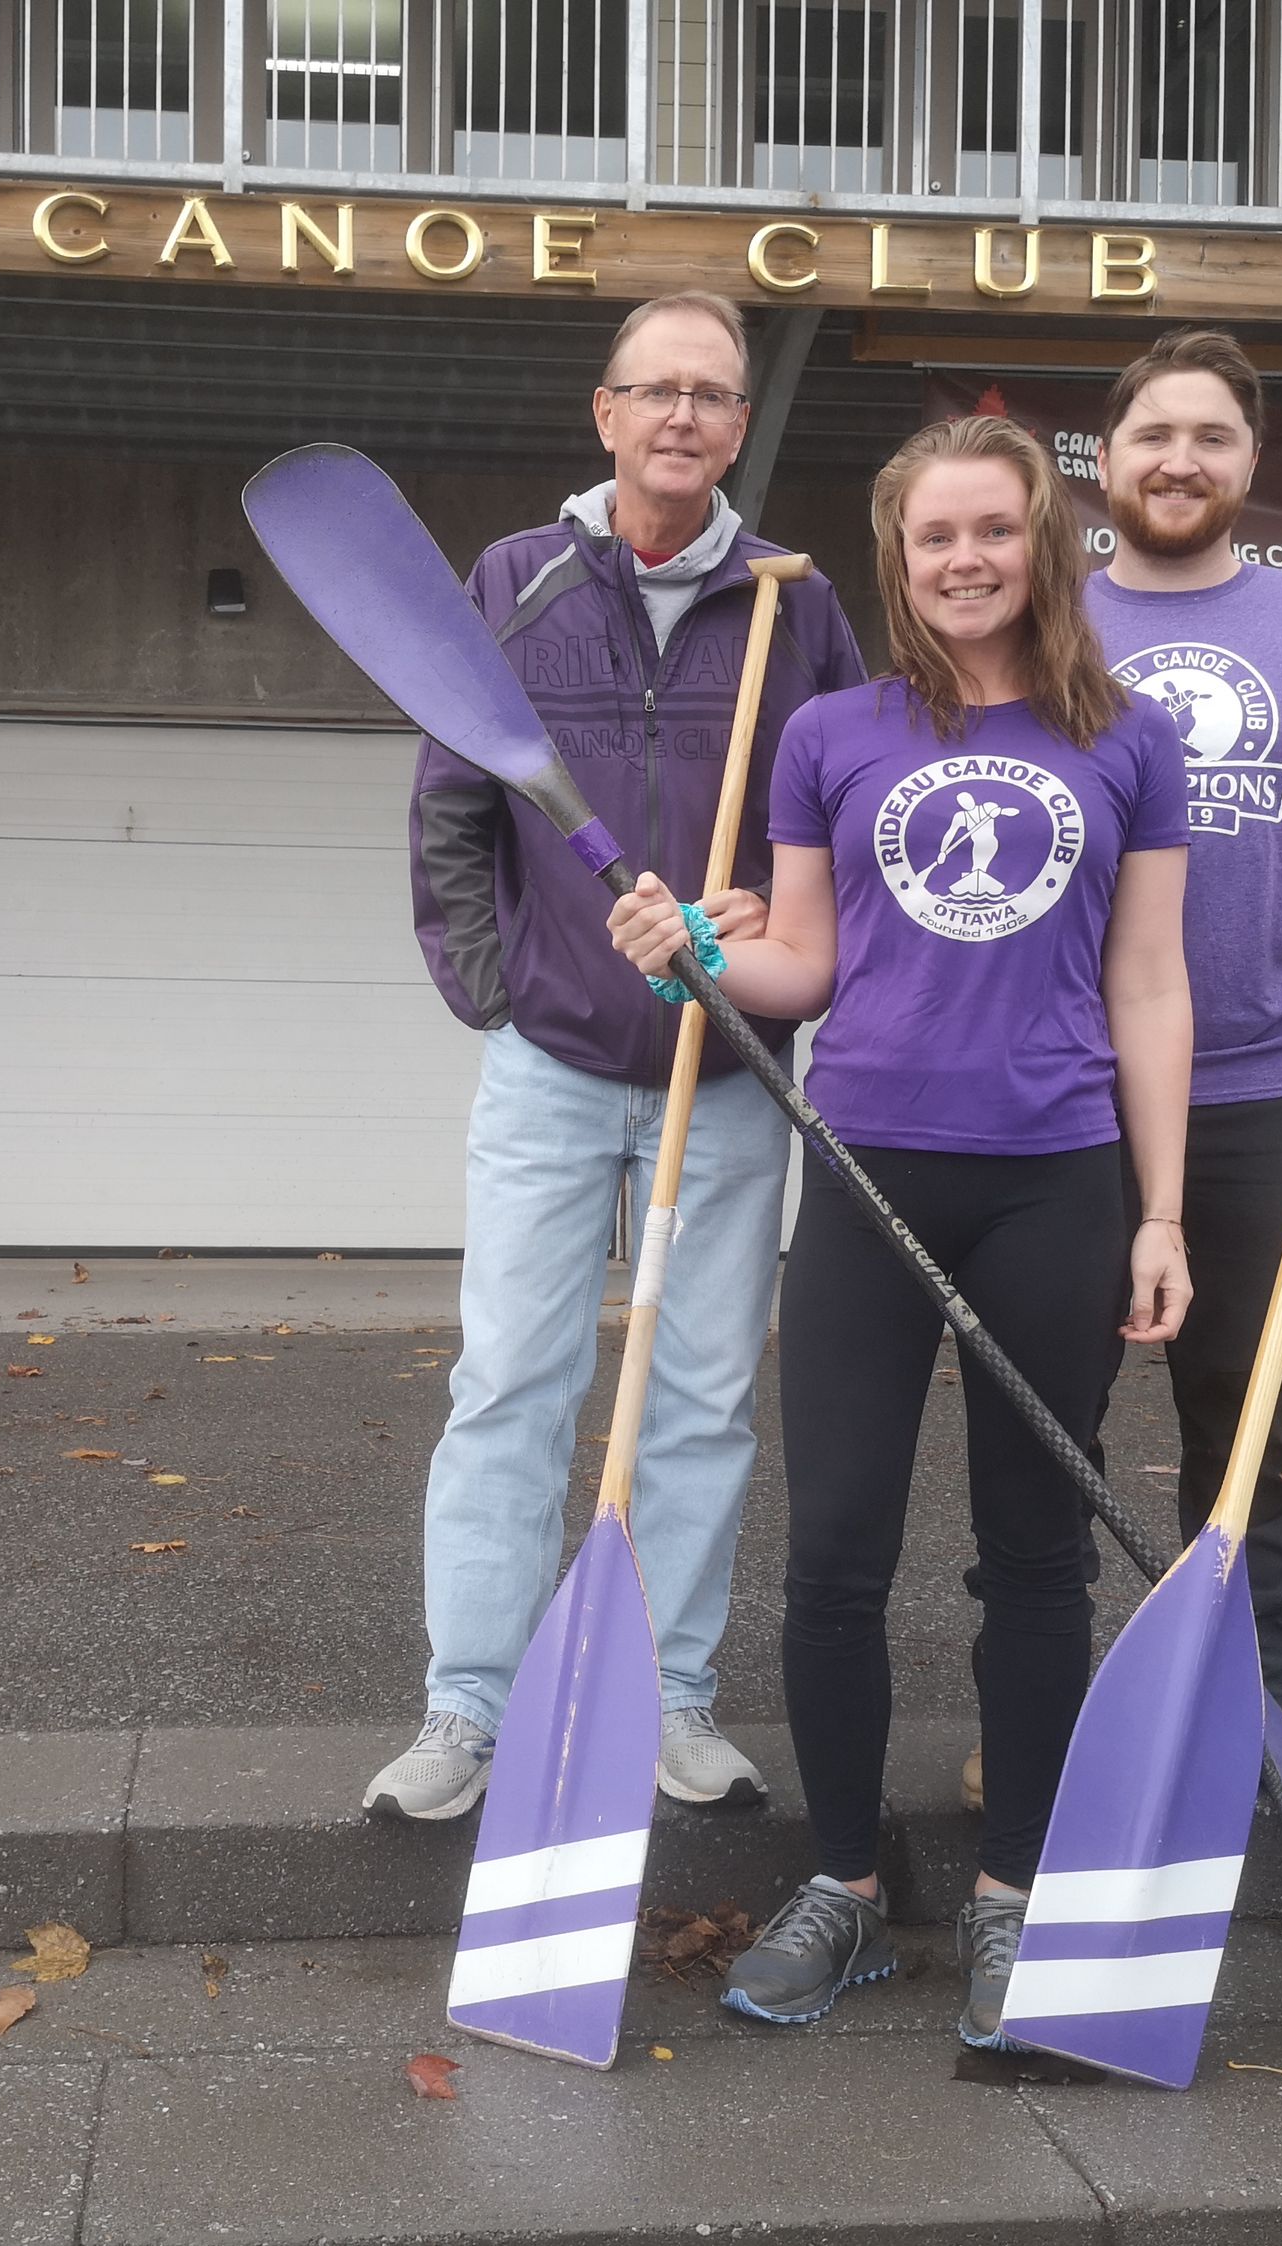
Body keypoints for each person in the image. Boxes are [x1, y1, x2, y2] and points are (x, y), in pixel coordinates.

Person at [607, 413, 1194, 2047]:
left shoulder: (1127, 739)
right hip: (865, 1171)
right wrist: (701, 962)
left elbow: (1150, 984)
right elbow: (802, 967)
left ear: (1040, 543)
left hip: (1055, 1183)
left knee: (1034, 1560)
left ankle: (1015, 1898)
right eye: (933, 538)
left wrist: (1160, 1213)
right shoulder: (831, 732)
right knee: (839, 1552)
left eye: (993, 531)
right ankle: (848, 1891)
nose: (963, 561)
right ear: (899, 556)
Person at [364, 290, 868, 1822]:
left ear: (735, 425)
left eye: (712, 395)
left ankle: (671, 1697)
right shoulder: (514, 582)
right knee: (512, 1377)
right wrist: (499, 987)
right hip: (555, 1067)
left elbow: (843, 818)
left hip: (726, 1076)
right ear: (606, 413)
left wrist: (770, 921)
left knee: (704, 1396)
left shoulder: (797, 601)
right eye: (656, 390)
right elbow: (454, 804)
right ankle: (470, 1706)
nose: (683, 417)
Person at [983, 324, 1282, 1825]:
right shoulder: (1037, 619)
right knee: (1051, 1401)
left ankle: (1276, 1699)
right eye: (1155, 432)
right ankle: (1037, 1711)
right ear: (1103, 459)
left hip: (1266, 1076)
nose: (1181, 458)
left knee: (1250, 1406)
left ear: (1253, 463)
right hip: (1057, 1080)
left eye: (1214, 437)